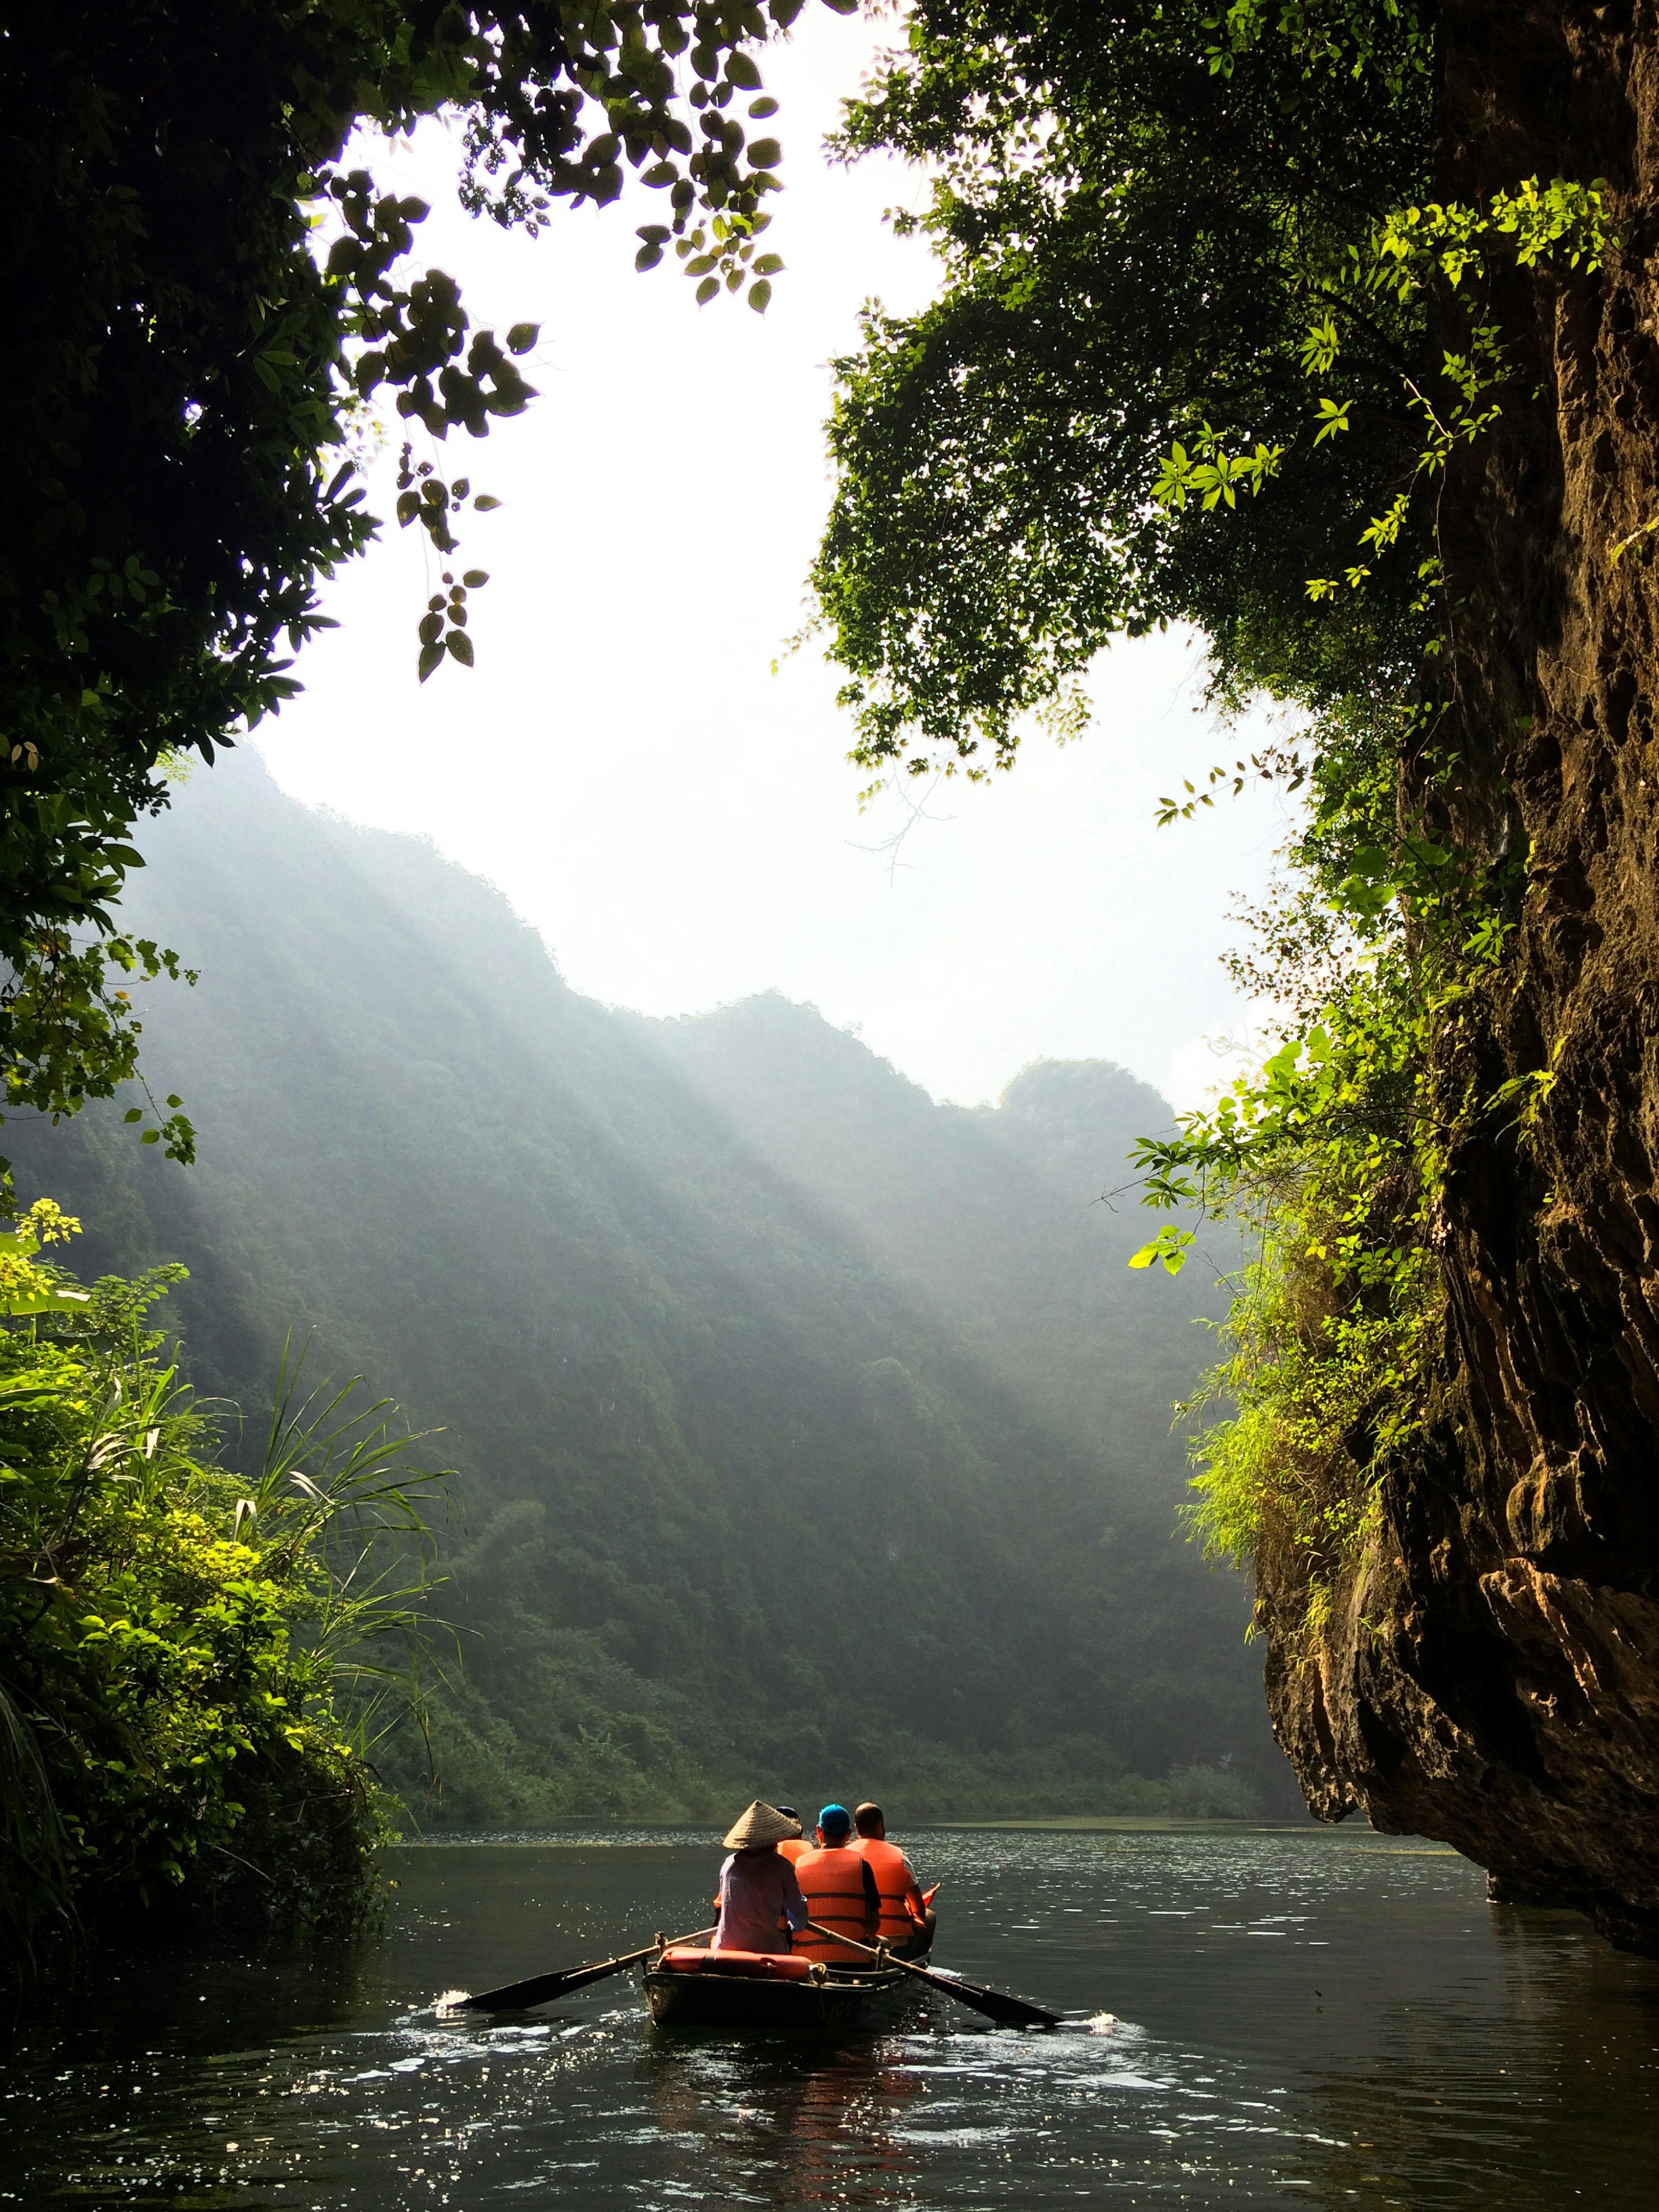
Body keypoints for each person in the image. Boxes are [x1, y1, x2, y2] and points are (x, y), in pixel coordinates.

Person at [712, 1800, 810, 1955]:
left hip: (724, 1948)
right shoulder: (781, 1866)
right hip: (765, 1950)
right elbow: (799, 1915)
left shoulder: (729, 1864)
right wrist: (797, 1925)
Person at [793, 1803, 881, 1963]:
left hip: (807, 1963)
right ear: (848, 1834)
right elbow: (874, 1925)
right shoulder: (862, 1865)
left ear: (819, 1831)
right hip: (853, 1963)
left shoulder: (798, 1865)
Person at [852, 1801, 935, 1958]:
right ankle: (916, 1964)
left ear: (856, 1829)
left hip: (854, 1944)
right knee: (930, 1917)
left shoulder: (846, 1856)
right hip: (897, 1946)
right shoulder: (900, 1857)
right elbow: (919, 1909)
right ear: (880, 1826)